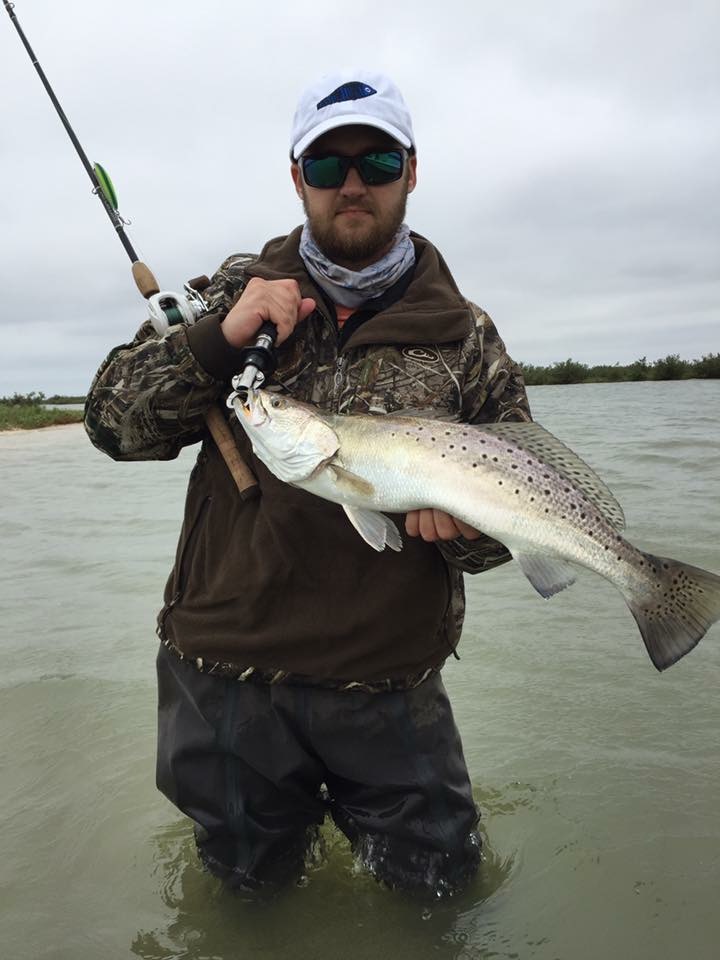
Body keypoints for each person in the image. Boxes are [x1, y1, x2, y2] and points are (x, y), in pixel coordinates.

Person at [85, 70, 531, 898]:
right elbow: (112, 426)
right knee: (246, 902)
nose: (352, 184)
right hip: (221, 675)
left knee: (441, 901)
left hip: (389, 683)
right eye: (326, 167)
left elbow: (508, 537)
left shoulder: (466, 336)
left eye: (376, 161)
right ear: (298, 179)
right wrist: (220, 338)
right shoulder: (236, 289)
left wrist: (465, 531)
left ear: (411, 170)